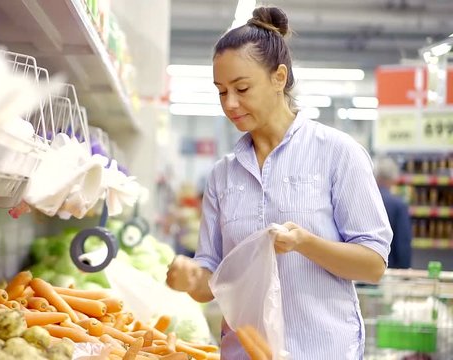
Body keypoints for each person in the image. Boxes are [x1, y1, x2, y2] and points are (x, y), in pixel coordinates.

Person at [165, 6, 392, 360]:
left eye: (241, 88)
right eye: (221, 91)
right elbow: (211, 276)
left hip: (322, 351)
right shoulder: (223, 175)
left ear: (279, 78)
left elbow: (373, 264)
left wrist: (305, 242)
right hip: (245, 353)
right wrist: (191, 279)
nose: (230, 103)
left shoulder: (337, 153)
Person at [375, 156, 412, 268]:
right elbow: (403, 243)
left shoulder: (363, 201)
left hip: (365, 269)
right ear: (393, 178)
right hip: (390, 269)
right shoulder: (398, 204)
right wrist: (405, 271)